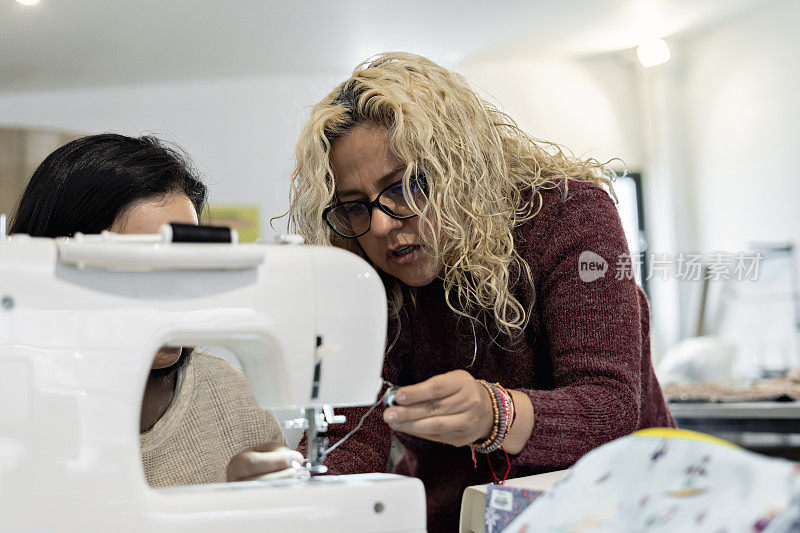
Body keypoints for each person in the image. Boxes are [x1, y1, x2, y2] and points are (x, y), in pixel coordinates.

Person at [281, 52, 676, 531]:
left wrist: (495, 414)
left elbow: (609, 408)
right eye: (355, 206)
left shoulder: (568, 216)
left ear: (459, 168)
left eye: (405, 186)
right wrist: (289, 486)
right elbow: (352, 439)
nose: (381, 223)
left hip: (622, 507)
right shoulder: (370, 278)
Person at [10, 133, 299, 487]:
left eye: (184, 263)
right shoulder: (15, 409)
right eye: (142, 268)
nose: (175, 293)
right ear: (63, 268)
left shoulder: (233, 397)